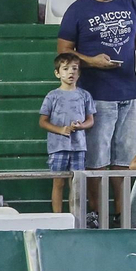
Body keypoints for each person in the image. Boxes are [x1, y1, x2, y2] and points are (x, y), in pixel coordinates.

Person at [58, 0, 136, 225]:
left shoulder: (129, 3)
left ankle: (122, 214)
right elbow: (62, 52)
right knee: (97, 160)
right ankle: (97, 213)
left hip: (129, 92)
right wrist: (91, 61)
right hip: (96, 95)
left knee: (124, 160)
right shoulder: (78, 10)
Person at [39, 53, 95, 213]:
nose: (70, 72)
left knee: (76, 184)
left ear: (79, 73)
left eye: (74, 69)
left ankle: (75, 217)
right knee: (58, 183)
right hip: (58, 147)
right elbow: (43, 121)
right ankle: (57, 217)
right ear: (57, 73)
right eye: (65, 69)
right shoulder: (52, 96)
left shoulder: (85, 95)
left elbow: (91, 120)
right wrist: (61, 130)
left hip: (78, 147)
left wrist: (81, 126)